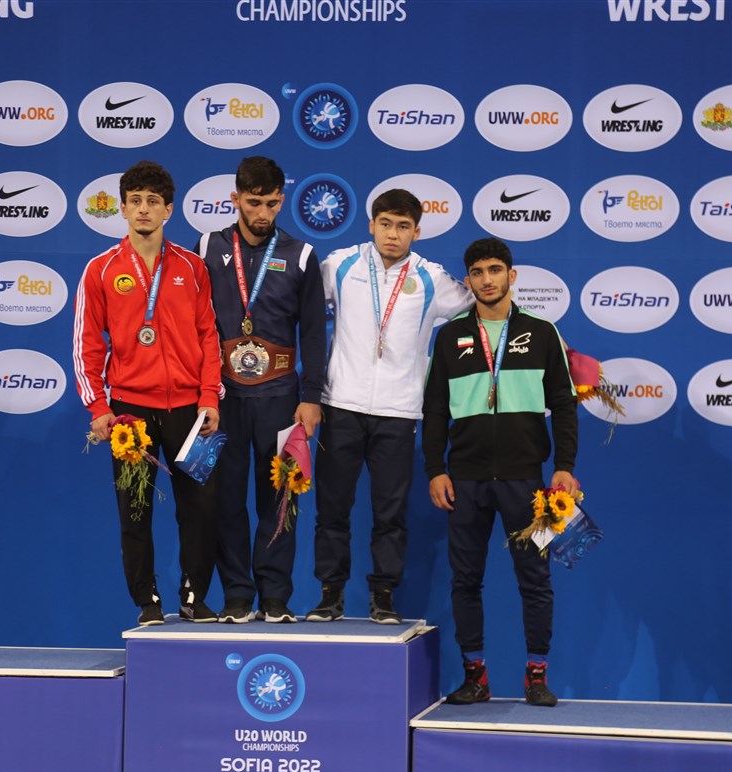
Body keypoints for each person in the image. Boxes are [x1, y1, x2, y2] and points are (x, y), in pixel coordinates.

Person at [422, 237, 579, 707]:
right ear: (467, 279)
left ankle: (537, 676)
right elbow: (434, 411)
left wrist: (565, 467)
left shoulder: (543, 332)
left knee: (536, 579)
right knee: (465, 581)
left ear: (512, 276)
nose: (486, 280)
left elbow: (565, 405)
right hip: (465, 482)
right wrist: (435, 469)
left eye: (494, 270)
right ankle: (475, 677)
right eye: (477, 272)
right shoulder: (449, 336)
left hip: (528, 482)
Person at [307, 189, 473, 624]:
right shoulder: (340, 265)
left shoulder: (432, 279)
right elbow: (300, 309)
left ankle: (383, 597)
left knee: (390, 514)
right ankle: (329, 596)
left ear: (417, 231)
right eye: (385, 224)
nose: (393, 234)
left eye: (403, 227)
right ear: (371, 225)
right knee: (331, 510)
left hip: (399, 412)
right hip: (341, 405)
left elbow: (486, 309)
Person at [73, 160, 222, 627]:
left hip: (190, 409)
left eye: (152, 201)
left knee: (201, 509)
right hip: (130, 412)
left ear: (168, 210)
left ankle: (194, 596)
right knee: (134, 509)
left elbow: (209, 335)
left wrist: (210, 397)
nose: (143, 209)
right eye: (135, 201)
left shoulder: (192, 267)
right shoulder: (100, 270)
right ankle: (147, 601)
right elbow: (87, 343)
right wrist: (99, 406)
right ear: (121, 208)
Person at [196, 156, 326, 624]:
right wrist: (201, 393)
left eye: (272, 203)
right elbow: (194, 323)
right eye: (253, 203)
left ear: (282, 200)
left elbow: (314, 331)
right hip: (224, 398)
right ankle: (236, 595)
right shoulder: (208, 247)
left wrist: (311, 397)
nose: (263, 213)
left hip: (281, 398)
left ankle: (274, 596)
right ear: (235, 199)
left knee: (281, 497)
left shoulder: (301, 254)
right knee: (224, 499)